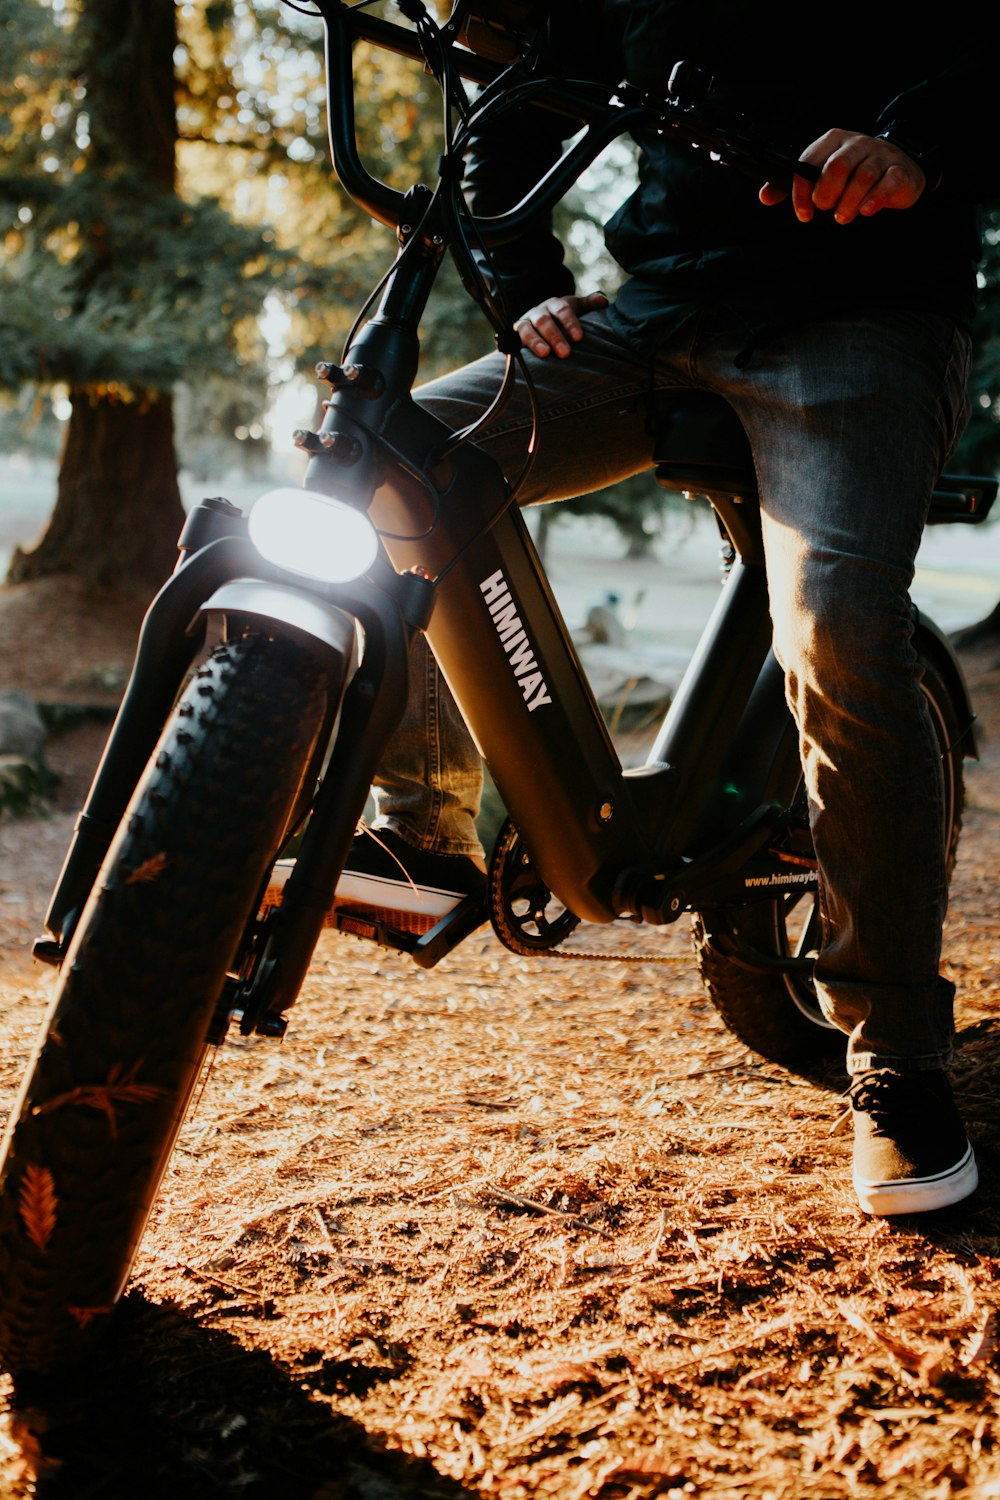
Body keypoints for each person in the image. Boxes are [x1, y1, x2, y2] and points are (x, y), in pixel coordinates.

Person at [334, 1, 993, 1216]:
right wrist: (526, 282)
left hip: (866, 315)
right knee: (398, 454)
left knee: (839, 623)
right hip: (657, 317)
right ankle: (419, 830)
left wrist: (913, 142)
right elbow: (517, 100)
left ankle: (896, 1052)